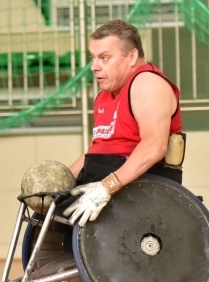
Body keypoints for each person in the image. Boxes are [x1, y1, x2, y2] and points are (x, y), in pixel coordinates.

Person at [64, 19, 183, 227]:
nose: (94, 67)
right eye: (93, 58)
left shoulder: (147, 83)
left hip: (139, 191)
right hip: (101, 183)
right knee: (48, 210)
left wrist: (106, 187)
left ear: (132, 56)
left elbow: (154, 146)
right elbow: (97, 151)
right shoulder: (104, 97)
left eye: (104, 58)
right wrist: (59, 181)